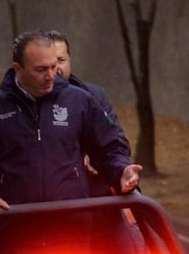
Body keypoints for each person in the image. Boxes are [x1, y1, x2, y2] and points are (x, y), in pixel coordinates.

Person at [0, 30, 142, 254]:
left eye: (54, 66)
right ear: (17, 68)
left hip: (71, 233)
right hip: (16, 236)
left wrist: (122, 169)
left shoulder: (79, 101)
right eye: (41, 69)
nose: (51, 75)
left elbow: (109, 146)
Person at [47, 29, 129, 197]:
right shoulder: (14, 105)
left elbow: (115, 142)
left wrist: (120, 168)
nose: (55, 69)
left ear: (69, 59)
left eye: (60, 60)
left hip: (93, 198)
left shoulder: (95, 97)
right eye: (47, 63)